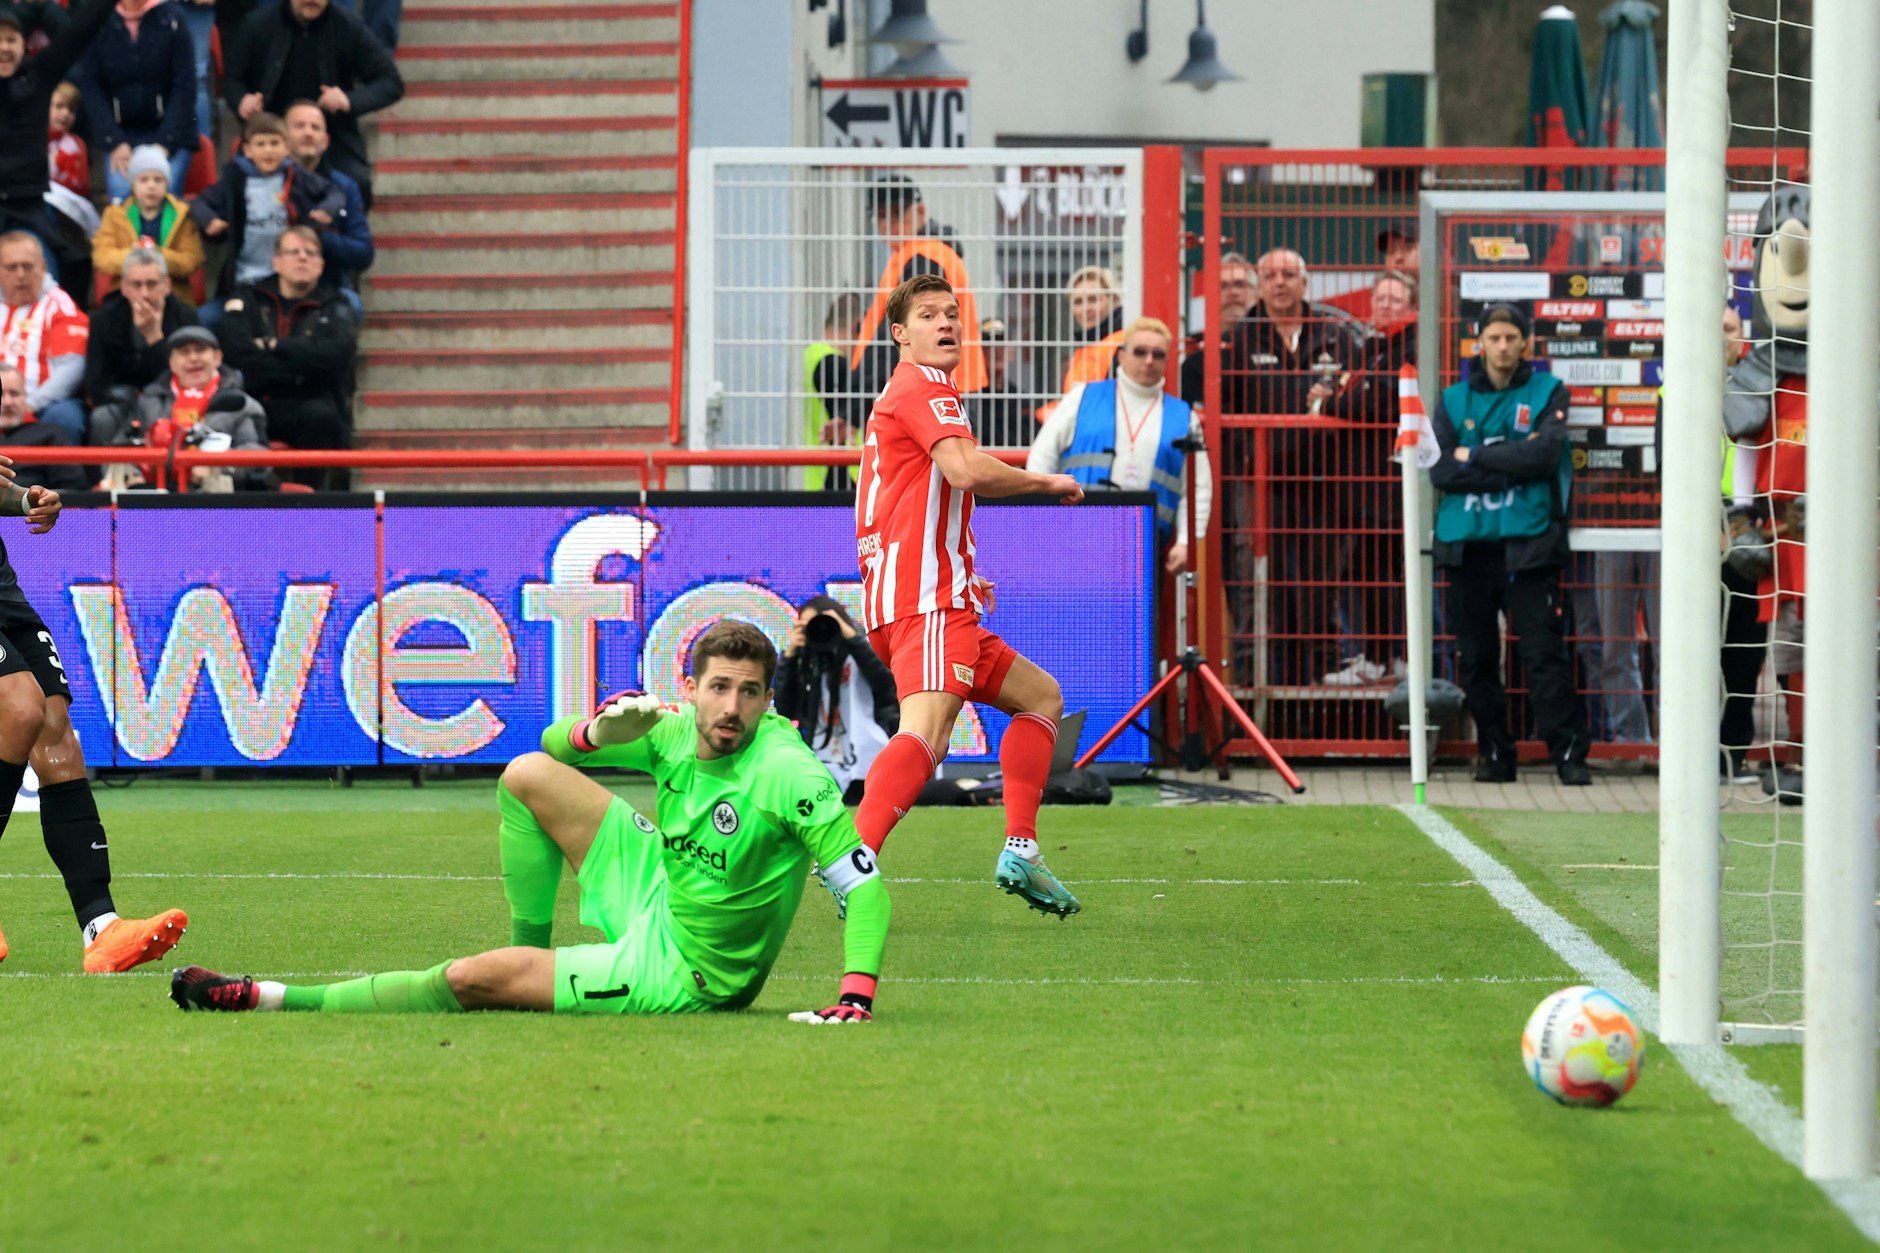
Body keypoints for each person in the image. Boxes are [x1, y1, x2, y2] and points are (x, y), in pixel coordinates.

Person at [170, 620, 891, 1025]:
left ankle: (266, 996)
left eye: (751, 693)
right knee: (524, 775)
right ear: (690, 688)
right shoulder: (670, 727)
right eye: (720, 688)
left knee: (467, 977)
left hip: (685, 971)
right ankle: (531, 960)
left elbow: (866, 888)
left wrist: (855, 995)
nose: (732, 708)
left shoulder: (787, 773)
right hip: (661, 892)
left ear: (769, 698)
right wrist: (600, 733)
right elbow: (548, 744)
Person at [850, 273, 1087, 916]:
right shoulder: (924, 386)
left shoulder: (917, 392)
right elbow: (964, 470)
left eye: (952, 313)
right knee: (926, 736)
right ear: (899, 335)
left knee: (1041, 699)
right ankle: (853, 860)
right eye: (928, 315)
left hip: (924, 597)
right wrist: (1047, 481)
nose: (947, 323)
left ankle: (1022, 847)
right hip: (927, 598)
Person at [0, 448, 188, 971]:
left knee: (56, 734)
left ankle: (101, 929)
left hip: (3, 593)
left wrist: (24, 503)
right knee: (18, 709)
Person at [1428, 302, 1591, 786]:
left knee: (1543, 655)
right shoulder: (1453, 399)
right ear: (1479, 343)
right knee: (1476, 659)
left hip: (1530, 547)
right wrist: (1504, 458)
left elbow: (1542, 457)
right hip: (1467, 550)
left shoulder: (1548, 390)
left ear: (1526, 343)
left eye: (1510, 338)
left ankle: (1568, 754)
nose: (1502, 346)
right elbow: (1440, 469)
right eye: (1493, 338)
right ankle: (1496, 754)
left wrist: (1475, 454)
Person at [1029, 316, 1211, 574]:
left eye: (1158, 354)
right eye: (1140, 352)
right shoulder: (1081, 397)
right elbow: (1041, 457)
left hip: (1145, 546)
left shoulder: (1184, 417)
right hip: (1076, 535)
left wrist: (1186, 542)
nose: (1149, 360)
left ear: (1167, 362)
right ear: (1122, 355)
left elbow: (1198, 487)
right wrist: (1043, 519)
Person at [1313, 269, 1418, 686]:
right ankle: (1379, 658)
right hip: (1364, 485)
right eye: (1380, 299)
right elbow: (1355, 391)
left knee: (1391, 571)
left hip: (1393, 485)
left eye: (1394, 299)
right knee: (1367, 569)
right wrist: (1342, 397)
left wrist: (1329, 405)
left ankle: (1400, 659)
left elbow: (1380, 400)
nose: (1385, 306)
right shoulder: (1372, 345)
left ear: (1410, 306)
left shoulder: (1411, 344)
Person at [223, 0, 404, 206]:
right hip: (272, 132)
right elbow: (232, 79)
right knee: (236, 185)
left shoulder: (347, 25)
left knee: (356, 183)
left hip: (330, 135)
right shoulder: (258, 24)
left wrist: (348, 100)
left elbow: (390, 82)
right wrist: (242, 100)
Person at [215, 224, 358, 475]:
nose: (303, 258)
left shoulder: (336, 304)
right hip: (256, 399)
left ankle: (310, 502)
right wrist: (301, 366)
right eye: (294, 252)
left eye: (310, 253)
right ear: (277, 262)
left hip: (310, 405)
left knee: (320, 417)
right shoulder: (249, 297)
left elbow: (337, 355)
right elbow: (236, 354)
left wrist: (274, 345)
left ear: (321, 265)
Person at [849, 174, 984, 403]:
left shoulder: (924, 258)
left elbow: (898, 333)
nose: (888, 224)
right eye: (880, 216)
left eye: (896, 213)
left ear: (920, 212)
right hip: (943, 387)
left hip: (929, 391)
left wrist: (856, 400)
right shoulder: (922, 255)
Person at [92, 324, 274, 491]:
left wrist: (217, 465)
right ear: (171, 362)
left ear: (217, 357)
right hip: (154, 497)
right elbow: (118, 448)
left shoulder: (239, 404)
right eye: (184, 352)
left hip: (219, 501)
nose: (193, 358)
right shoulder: (149, 401)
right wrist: (133, 475)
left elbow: (257, 455)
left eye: (200, 350)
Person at [0, 0, 114, 264]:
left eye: (11, 40)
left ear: (22, 44)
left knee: (53, 267)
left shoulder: (39, 75)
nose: (4, 48)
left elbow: (80, 32)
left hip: (29, 206)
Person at [191, 111, 341, 301]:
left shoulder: (296, 176)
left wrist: (326, 209)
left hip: (287, 280)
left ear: (286, 147)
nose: (268, 150)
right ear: (247, 150)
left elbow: (334, 193)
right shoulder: (235, 179)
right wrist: (209, 220)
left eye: (274, 143)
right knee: (208, 319)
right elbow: (198, 202)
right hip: (245, 277)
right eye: (260, 144)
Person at [773, 596, 898, 804]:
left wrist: (849, 633)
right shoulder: (807, 661)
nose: (819, 629)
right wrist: (790, 656)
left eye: (824, 623)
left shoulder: (864, 649)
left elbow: (887, 684)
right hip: (822, 759)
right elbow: (786, 709)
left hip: (871, 755)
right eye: (809, 626)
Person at [68, 0, 197, 203]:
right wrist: (115, 141)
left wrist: (165, 143)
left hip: (172, 135)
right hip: (121, 136)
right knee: (123, 198)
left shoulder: (173, 18)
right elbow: (91, 87)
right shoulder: (98, 20)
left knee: (162, 195)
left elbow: (185, 86)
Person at [284, 99, 372, 312]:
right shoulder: (260, 181)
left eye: (315, 128)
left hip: (328, 287)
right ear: (283, 138)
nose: (308, 133)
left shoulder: (345, 187)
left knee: (351, 305)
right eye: (299, 126)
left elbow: (363, 253)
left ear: (326, 141)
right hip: (265, 286)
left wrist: (318, 236)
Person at [0, 231, 88, 441]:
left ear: (44, 267)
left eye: (28, 266)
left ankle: (62, 474)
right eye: (12, 267)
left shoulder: (61, 306)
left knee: (66, 416)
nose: (21, 275)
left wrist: (30, 404)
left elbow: (70, 368)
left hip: (41, 406)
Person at [84, 245, 197, 402]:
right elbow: (95, 384)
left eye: (151, 284)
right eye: (136, 285)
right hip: (120, 402)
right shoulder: (104, 320)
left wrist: (154, 337)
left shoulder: (186, 318)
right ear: (124, 287)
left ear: (167, 286)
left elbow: (186, 380)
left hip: (169, 401)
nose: (144, 294)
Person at [92, 145, 204, 295]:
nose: (151, 186)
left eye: (158, 180)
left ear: (167, 184)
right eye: (144, 180)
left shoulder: (182, 215)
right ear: (133, 185)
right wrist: (136, 255)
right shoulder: (115, 214)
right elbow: (102, 257)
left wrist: (157, 255)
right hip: (126, 293)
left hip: (172, 293)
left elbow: (191, 260)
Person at [1176, 250, 1254, 408]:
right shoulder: (1194, 352)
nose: (1233, 293)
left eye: (1240, 284)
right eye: (1223, 286)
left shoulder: (1274, 345)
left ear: (1257, 293)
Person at [801, 292, 861, 492]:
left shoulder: (809, 356)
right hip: (841, 478)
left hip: (816, 473)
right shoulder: (835, 365)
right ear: (856, 327)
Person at [0, 363, 84, 494]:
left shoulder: (51, 435)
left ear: (25, 397)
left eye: (14, 394)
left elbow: (74, 494)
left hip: (35, 511)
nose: (7, 402)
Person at [1058, 264, 1125, 393]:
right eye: (1078, 302)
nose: (1086, 308)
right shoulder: (1085, 346)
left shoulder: (1123, 342)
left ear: (1114, 300)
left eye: (1093, 299)